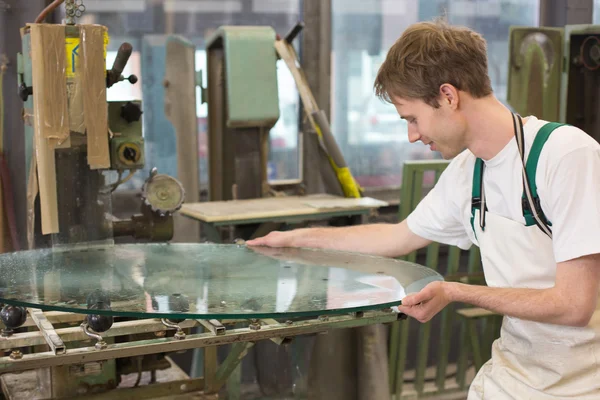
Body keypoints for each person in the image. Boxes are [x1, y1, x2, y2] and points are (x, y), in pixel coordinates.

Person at [246, 19, 600, 399]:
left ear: (448, 96)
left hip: (583, 383)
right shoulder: (469, 173)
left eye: (412, 118)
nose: (412, 135)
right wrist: (295, 239)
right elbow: (397, 236)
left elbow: (573, 305)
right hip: (513, 377)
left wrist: (457, 292)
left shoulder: (565, 155)